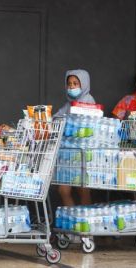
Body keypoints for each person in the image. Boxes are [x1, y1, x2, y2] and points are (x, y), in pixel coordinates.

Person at [54, 69, 95, 206]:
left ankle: (86, 218)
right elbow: (57, 117)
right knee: (63, 190)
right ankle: (72, 216)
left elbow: (88, 124)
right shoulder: (69, 104)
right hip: (68, 153)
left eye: (75, 83)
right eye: (69, 83)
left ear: (84, 84)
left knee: (82, 189)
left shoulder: (88, 101)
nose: (71, 87)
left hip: (82, 152)